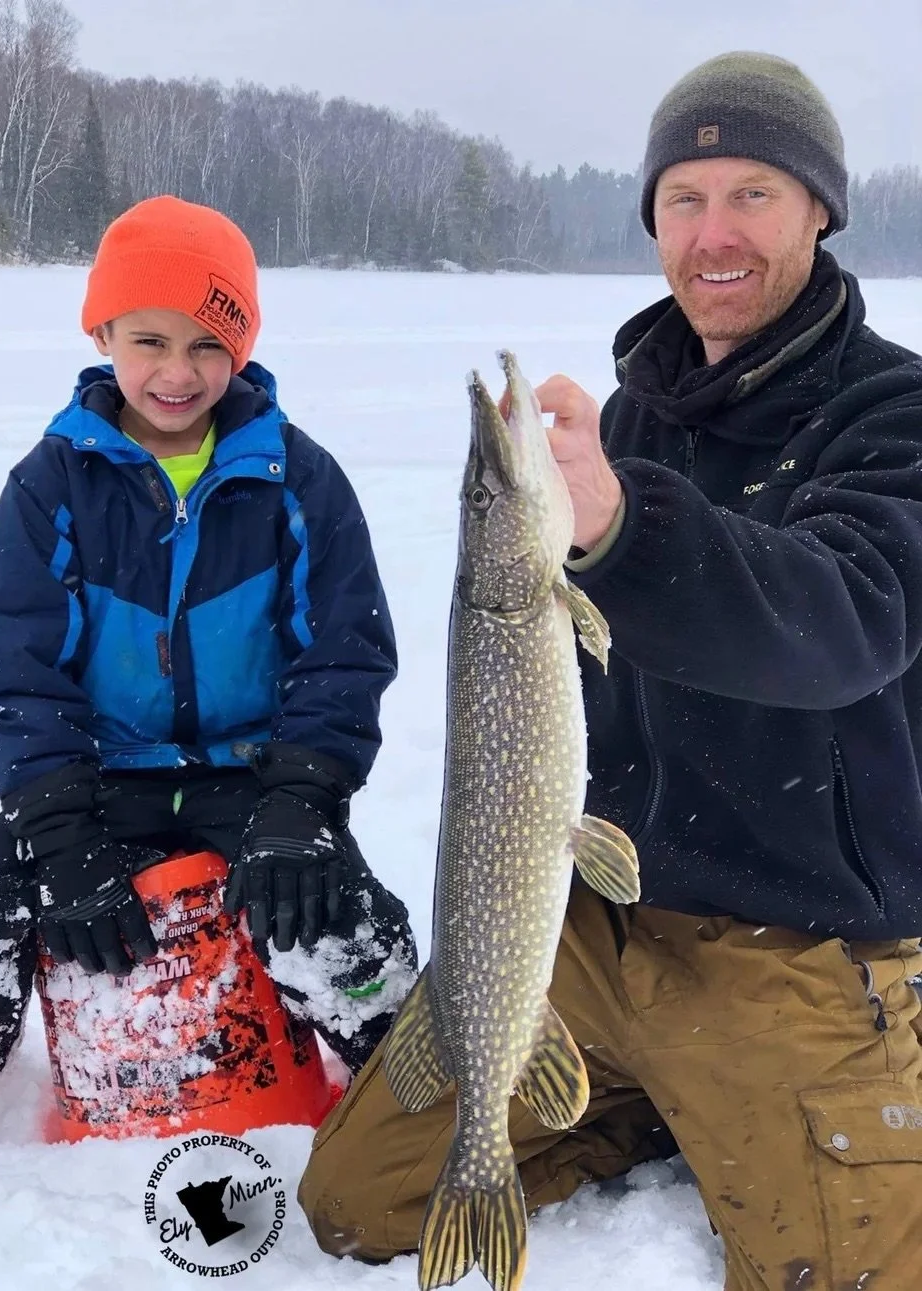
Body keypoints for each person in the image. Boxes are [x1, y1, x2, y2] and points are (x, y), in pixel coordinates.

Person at [298, 52, 922, 1289]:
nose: (715, 232)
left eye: (754, 192)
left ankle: (785, 1073)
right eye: (683, 200)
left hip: (787, 939)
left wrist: (623, 526)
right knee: (356, 1201)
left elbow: (839, 625)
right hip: (593, 927)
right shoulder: (630, 422)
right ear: (652, 223)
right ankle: (645, 1097)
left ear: (818, 212)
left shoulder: (889, 411)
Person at [0, 195, 417, 1101]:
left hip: (254, 781)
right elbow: (14, 671)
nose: (177, 373)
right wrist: (62, 837)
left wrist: (301, 801)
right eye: (149, 340)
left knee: (344, 929)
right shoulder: (51, 485)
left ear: (242, 346)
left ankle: (416, 1089)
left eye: (206, 344)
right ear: (104, 331)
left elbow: (343, 655)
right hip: (100, 783)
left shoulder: (299, 480)